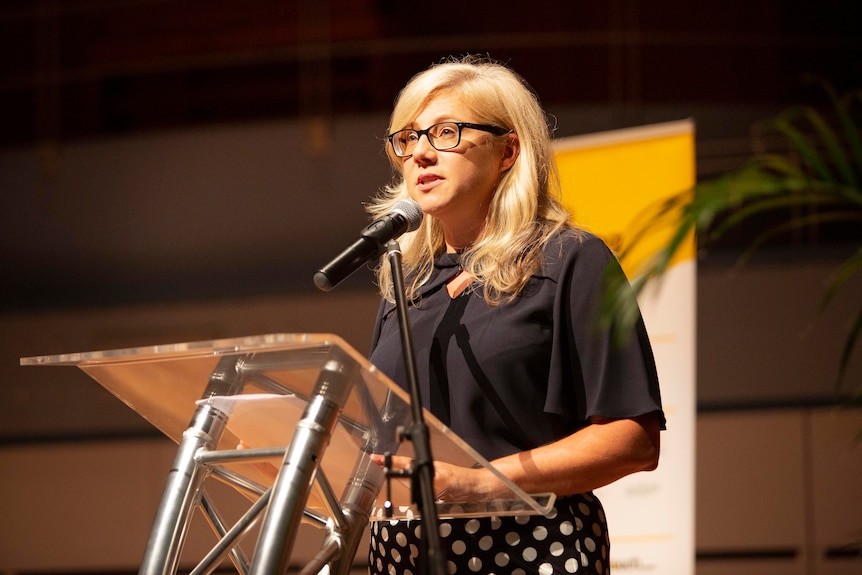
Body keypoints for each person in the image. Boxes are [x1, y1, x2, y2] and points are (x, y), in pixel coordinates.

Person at [365, 55, 664, 575]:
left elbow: (631, 439)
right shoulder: (404, 280)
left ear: (509, 151)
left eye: (446, 132)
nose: (421, 153)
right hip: (401, 551)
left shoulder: (572, 259)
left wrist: (478, 481)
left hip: (529, 547)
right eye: (408, 138)